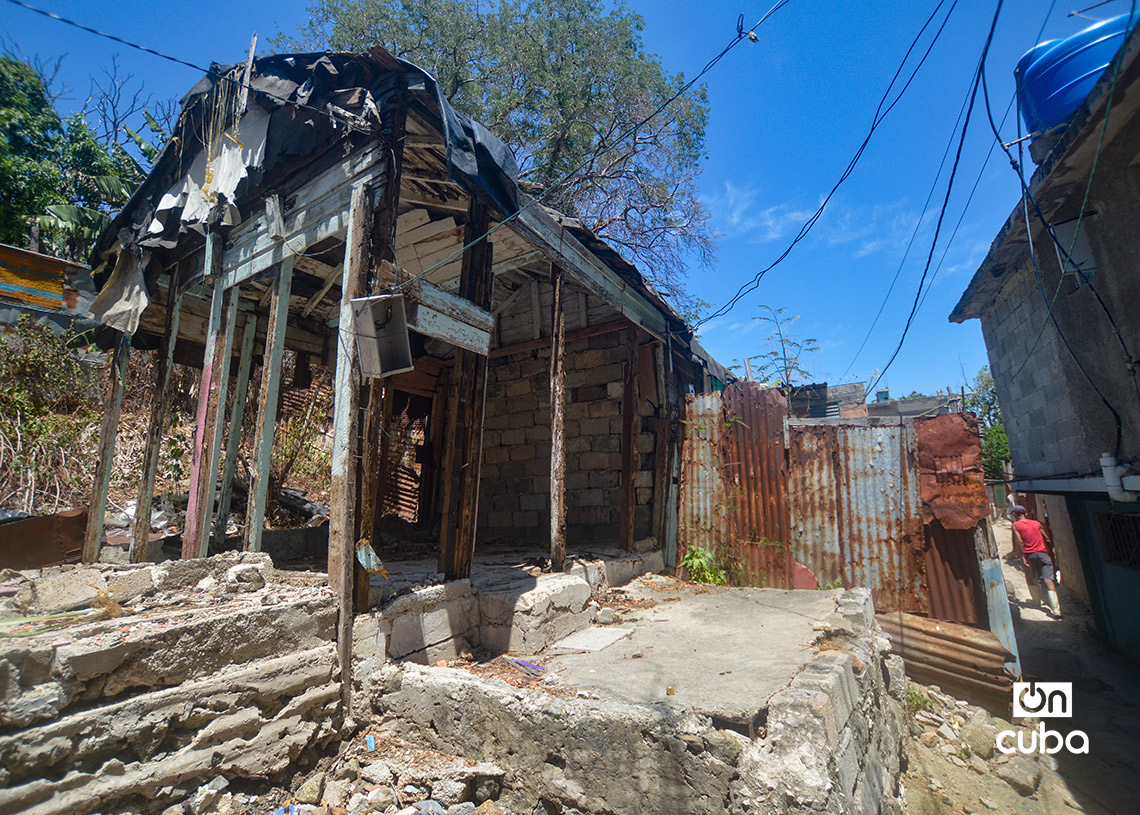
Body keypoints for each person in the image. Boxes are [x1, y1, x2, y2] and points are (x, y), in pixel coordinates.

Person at [1011, 505, 1061, 618]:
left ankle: (1036, 601)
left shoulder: (1016, 525)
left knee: (1030, 576)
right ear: (1025, 513)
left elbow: (1019, 541)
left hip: (1029, 554)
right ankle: (1056, 610)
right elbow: (1047, 538)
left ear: (1015, 514)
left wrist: (1022, 557)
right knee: (1048, 580)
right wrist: (1051, 551)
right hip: (1043, 554)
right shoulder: (1036, 523)